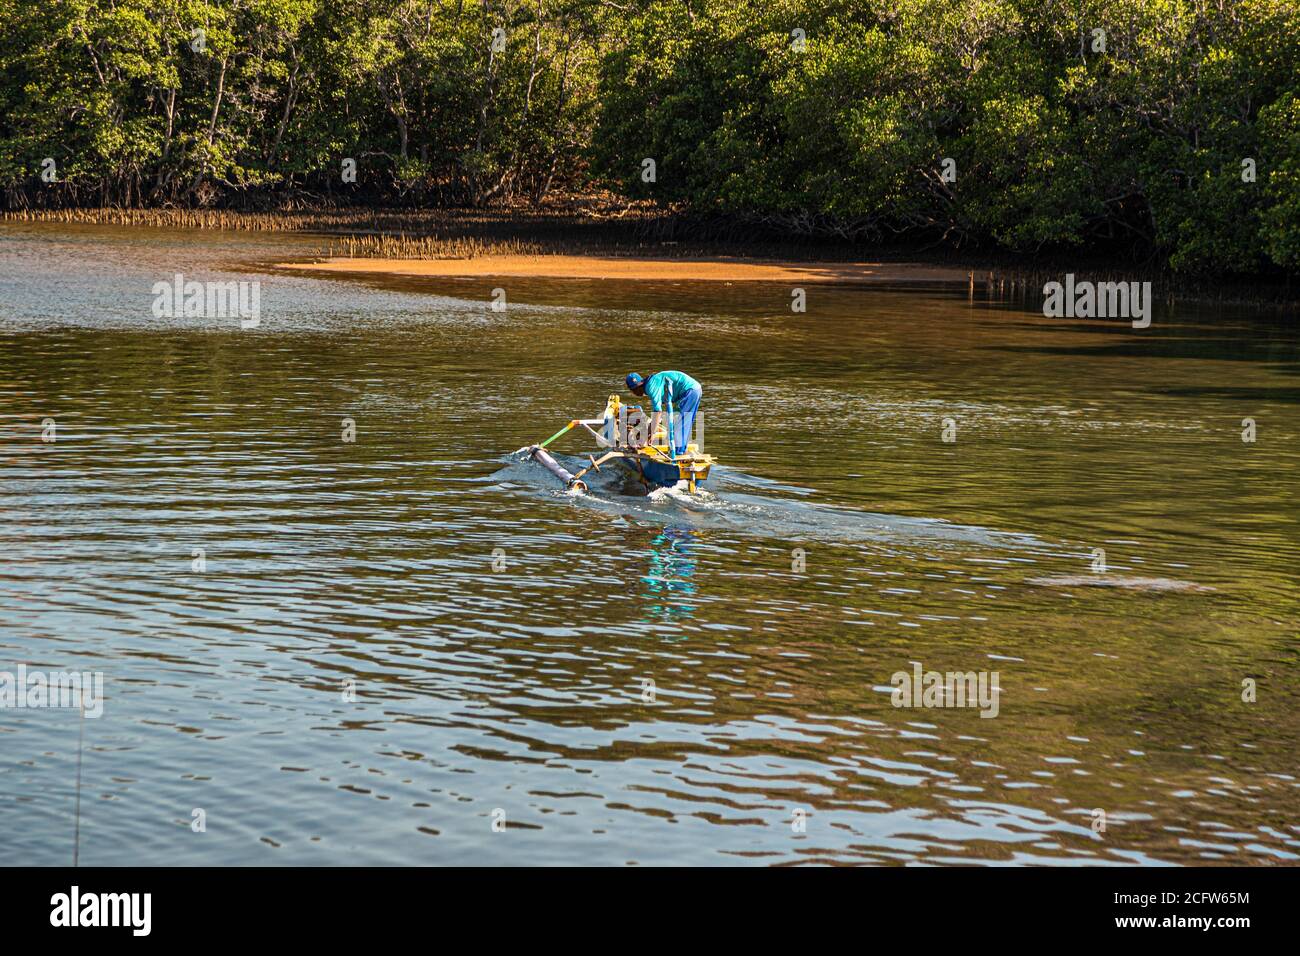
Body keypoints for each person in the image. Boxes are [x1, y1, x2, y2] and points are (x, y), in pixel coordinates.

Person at [625, 371, 701, 455]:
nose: (635, 392)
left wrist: (651, 434)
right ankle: (682, 449)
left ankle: (678, 453)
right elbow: (659, 414)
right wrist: (650, 430)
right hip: (695, 389)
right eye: (634, 389)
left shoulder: (650, 387)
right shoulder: (652, 383)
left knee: (679, 423)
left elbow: (658, 412)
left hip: (689, 391)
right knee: (683, 423)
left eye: (636, 389)